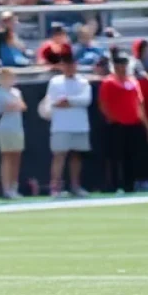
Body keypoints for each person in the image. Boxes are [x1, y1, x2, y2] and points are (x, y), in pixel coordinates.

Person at [99, 51, 148, 194]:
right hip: (116, 124)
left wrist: (147, 126)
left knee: (132, 156)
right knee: (115, 157)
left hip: (133, 124)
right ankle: (113, 185)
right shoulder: (108, 82)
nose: (122, 69)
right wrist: (110, 117)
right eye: (119, 66)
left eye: (124, 66)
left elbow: (139, 104)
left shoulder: (133, 82)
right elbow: (103, 103)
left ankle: (129, 185)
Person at [44, 49, 92, 197]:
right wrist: (68, 101)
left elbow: (86, 100)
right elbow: (53, 101)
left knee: (76, 156)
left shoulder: (84, 82)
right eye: (67, 64)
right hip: (61, 126)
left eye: (72, 64)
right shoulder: (55, 82)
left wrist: (69, 101)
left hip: (79, 125)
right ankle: (55, 189)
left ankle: (75, 187)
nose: (70, 67)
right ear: (62, 66)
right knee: (59, 156)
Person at [0, 68, 26, 198]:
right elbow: (6, 107)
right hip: (6, 129)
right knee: (7, 157)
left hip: (17, 128)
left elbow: (23, 106)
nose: (10, 80)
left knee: (17, 157)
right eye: (7, 77)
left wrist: (15, 104)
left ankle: (14, 187)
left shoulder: (17, 92)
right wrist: (15, 104)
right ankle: (6, 189)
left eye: (12, 77)